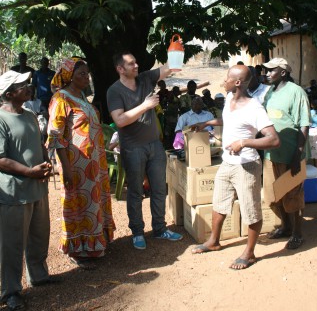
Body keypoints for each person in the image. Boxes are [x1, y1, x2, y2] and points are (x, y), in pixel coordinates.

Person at [191, 65, 280, 270]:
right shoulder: (229, 100)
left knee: (251, 211)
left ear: (238, 82)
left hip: (246, 166)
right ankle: (213, 241)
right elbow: (229, 121)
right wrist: (207, 123)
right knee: (219, 203)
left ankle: (249, 253)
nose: (224, 81)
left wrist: (244, 142)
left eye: (228, 78)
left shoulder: (254, 107)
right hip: (227, 163)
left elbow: (273, 139)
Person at [107, 52, 183, 250]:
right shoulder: (114, 91)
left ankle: (159, 229)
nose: (136, 65)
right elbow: (120, 120)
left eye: (136, 62)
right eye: (131, 64)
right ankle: (138, 232)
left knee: (159, 189)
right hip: (132, 148)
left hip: (154, 145)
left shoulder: (145, 78)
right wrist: (145, 106)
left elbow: (170, 67)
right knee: (135, 192)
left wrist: (176, 51)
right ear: (120, 69)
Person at [46, 58, 115, 269]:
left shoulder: (82, 97)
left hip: (94, 163)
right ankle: (78, 249)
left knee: (93, 202)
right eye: (82, 74)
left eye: (87, 73)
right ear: (69, 76)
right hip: (76, 164)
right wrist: (65, 168)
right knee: (78, 203)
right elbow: (55, 136)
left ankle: (95, 243)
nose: (87, 77)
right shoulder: (61, 99)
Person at [0, 71, 54, 311]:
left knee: (39, 236)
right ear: (9, 94)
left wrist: (45, 161)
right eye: (23, 85)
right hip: (15, 193)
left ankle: (39, 275)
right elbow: (1, 159)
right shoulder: (1, 119)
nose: (29, 87)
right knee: (12, 244)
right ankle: (10, 291)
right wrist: (29, 172)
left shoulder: (30, 114)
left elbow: (39, 144)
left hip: (37, 188)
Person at [262, 57, 310, 250]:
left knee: (293, 195)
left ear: (283, 72)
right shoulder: (270, 93)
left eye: (270, 70)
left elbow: (304, 125)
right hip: (271, 155)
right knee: (273, 195)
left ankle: (297, 234)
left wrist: (297, 155)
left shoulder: (296, 92)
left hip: (291, 155)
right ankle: (286, 226)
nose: (267, 73)